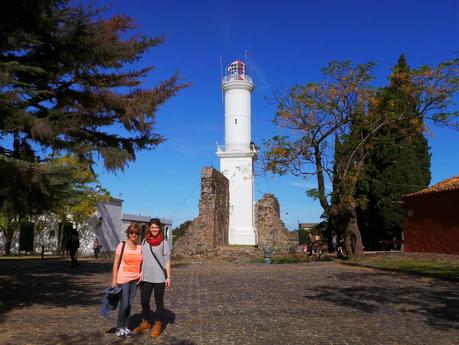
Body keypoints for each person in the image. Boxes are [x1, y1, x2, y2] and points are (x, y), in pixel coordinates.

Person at [132, 218, 171, 338]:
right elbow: (140, 258)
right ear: (149, 228)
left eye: (156, 227)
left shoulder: (164, 242)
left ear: (160, 229)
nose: (154, 229)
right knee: (144, 301)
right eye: (152, 227)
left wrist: (168, 277)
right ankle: (146, 322)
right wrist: (138, 273)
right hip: (146, 277)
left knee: (159, 302)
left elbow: (167, 261)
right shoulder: (144, 241)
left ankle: (158, 324)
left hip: (159, 277)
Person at [111, 223, 142, 338]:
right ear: (128, 233)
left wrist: (141, 274)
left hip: (135, 280)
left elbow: (142, 263)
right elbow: (115, 263)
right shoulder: (122, 245)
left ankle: (126, 327)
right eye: (131, 233)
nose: (134, 235)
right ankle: (119, 327)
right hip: (123, 279)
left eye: (136, 233)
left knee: (129, 304)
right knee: (124, 305)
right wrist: (114, 280)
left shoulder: (140, 248)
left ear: (138, 235)